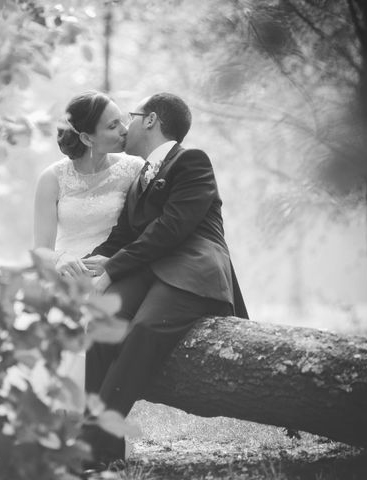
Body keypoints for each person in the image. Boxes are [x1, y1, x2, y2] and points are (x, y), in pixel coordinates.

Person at [81, 92, 248, 467]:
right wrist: (87, 264)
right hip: (150, 269)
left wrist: (113, 270)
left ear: (152, 120)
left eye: (133, 116)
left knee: (143, 329)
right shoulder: (141, 175)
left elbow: (172, 228)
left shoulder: (192, 160)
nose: (127, 124)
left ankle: (88, 444)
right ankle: (104, 455)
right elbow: (123, 236)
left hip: (193, 268)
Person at [33, 91, 144, 388]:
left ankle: (92, 417)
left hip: (111, 273)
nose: (124, 130)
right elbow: (40, 250)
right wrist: (60, 258)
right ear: (86, 138)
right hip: (67, 274)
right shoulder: (52, 178)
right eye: (112, 126)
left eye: (121, 121)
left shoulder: (133, 170)